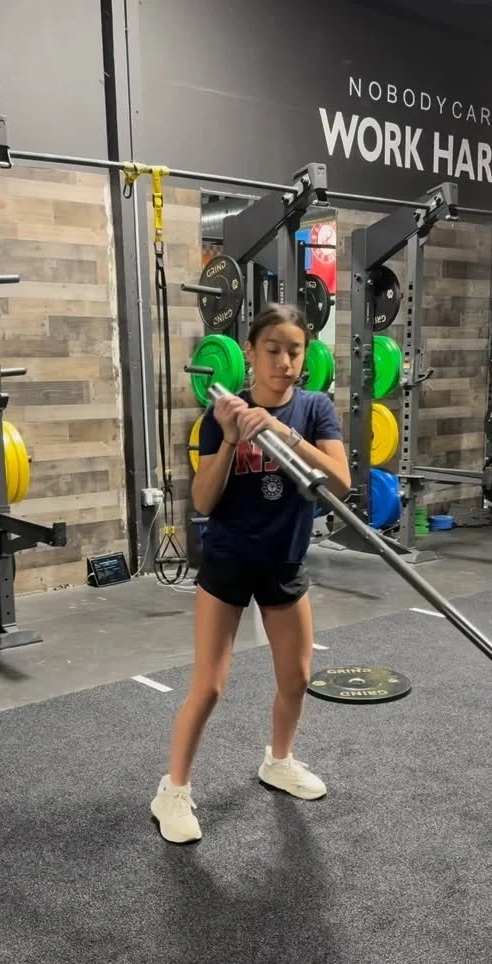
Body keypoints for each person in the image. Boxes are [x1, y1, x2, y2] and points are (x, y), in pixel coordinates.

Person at [151, 303, 351, 843]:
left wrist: (284, 434)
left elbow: (340, 482)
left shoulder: (314, 409)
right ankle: (172, 791)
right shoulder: (220, 414)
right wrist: (231, 438)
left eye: (294, 351)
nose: (284, 362)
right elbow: (203, 499)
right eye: (273, 350)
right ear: (250, 353)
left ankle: (278, 761)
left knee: (297, 679)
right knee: (209, 686)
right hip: (229, 563)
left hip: (284, 561)